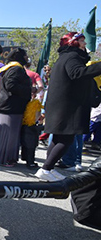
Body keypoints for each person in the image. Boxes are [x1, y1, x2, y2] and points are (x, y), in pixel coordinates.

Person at [36, 32, 101, 182]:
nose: (85, 44)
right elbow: (77, 73)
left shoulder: (65, 57)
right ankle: (46, 168)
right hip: (67, 107)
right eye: (82, 41)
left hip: (61, 105)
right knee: (66, 139)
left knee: (58, 138)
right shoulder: (72, 57)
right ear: (74, 42)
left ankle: (47, 168)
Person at [0, 48, 32, 167]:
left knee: (4, 132)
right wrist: (28, 90)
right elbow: (11, 85)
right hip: (11, 106)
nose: (27, 58)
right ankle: (5, 158)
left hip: (7, 105)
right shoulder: (16, 69)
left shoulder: (9, 68)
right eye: (25, 55)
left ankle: (0, 156)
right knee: (10, 134)